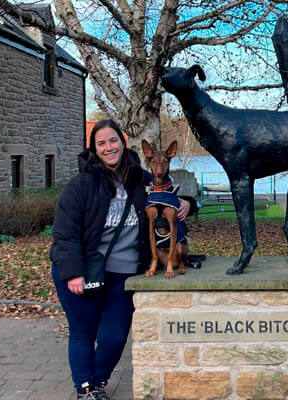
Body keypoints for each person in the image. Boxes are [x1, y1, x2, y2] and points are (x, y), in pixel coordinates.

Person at [50, 119, 194, 399]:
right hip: (85, 271)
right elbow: (64, 234)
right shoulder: (81, 186)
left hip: (123, 275)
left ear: (123, 142)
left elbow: (169, 200)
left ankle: (98, 381)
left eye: (113, 140)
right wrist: (73, 273)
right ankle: (87, 389)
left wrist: (189, 202)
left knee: (114, 337)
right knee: (83, 332)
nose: (108, 147)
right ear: (94, 148)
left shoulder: (142, 180)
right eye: (101, 143)